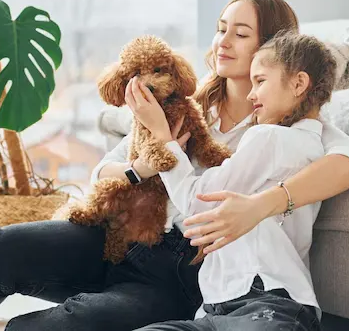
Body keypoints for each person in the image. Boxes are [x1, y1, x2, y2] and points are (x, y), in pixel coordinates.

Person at [0, 0, 349, 331]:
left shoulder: (290, 127)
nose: (222, 41)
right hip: (121, 238)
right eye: (221, 29)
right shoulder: (182, 103)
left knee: (85, 320)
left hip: (179, 273)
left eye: (240, 33)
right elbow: (102, 173)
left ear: (272, 48)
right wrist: (142, 166)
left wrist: (264, 203)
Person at [130, 31, 336, 331]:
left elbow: (197, 201)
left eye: (261, 81)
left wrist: (162, 136)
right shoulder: (314, 146)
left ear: (299, 83)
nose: (251, 94)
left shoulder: (271, 138)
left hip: (264, 302)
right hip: (221, 308)